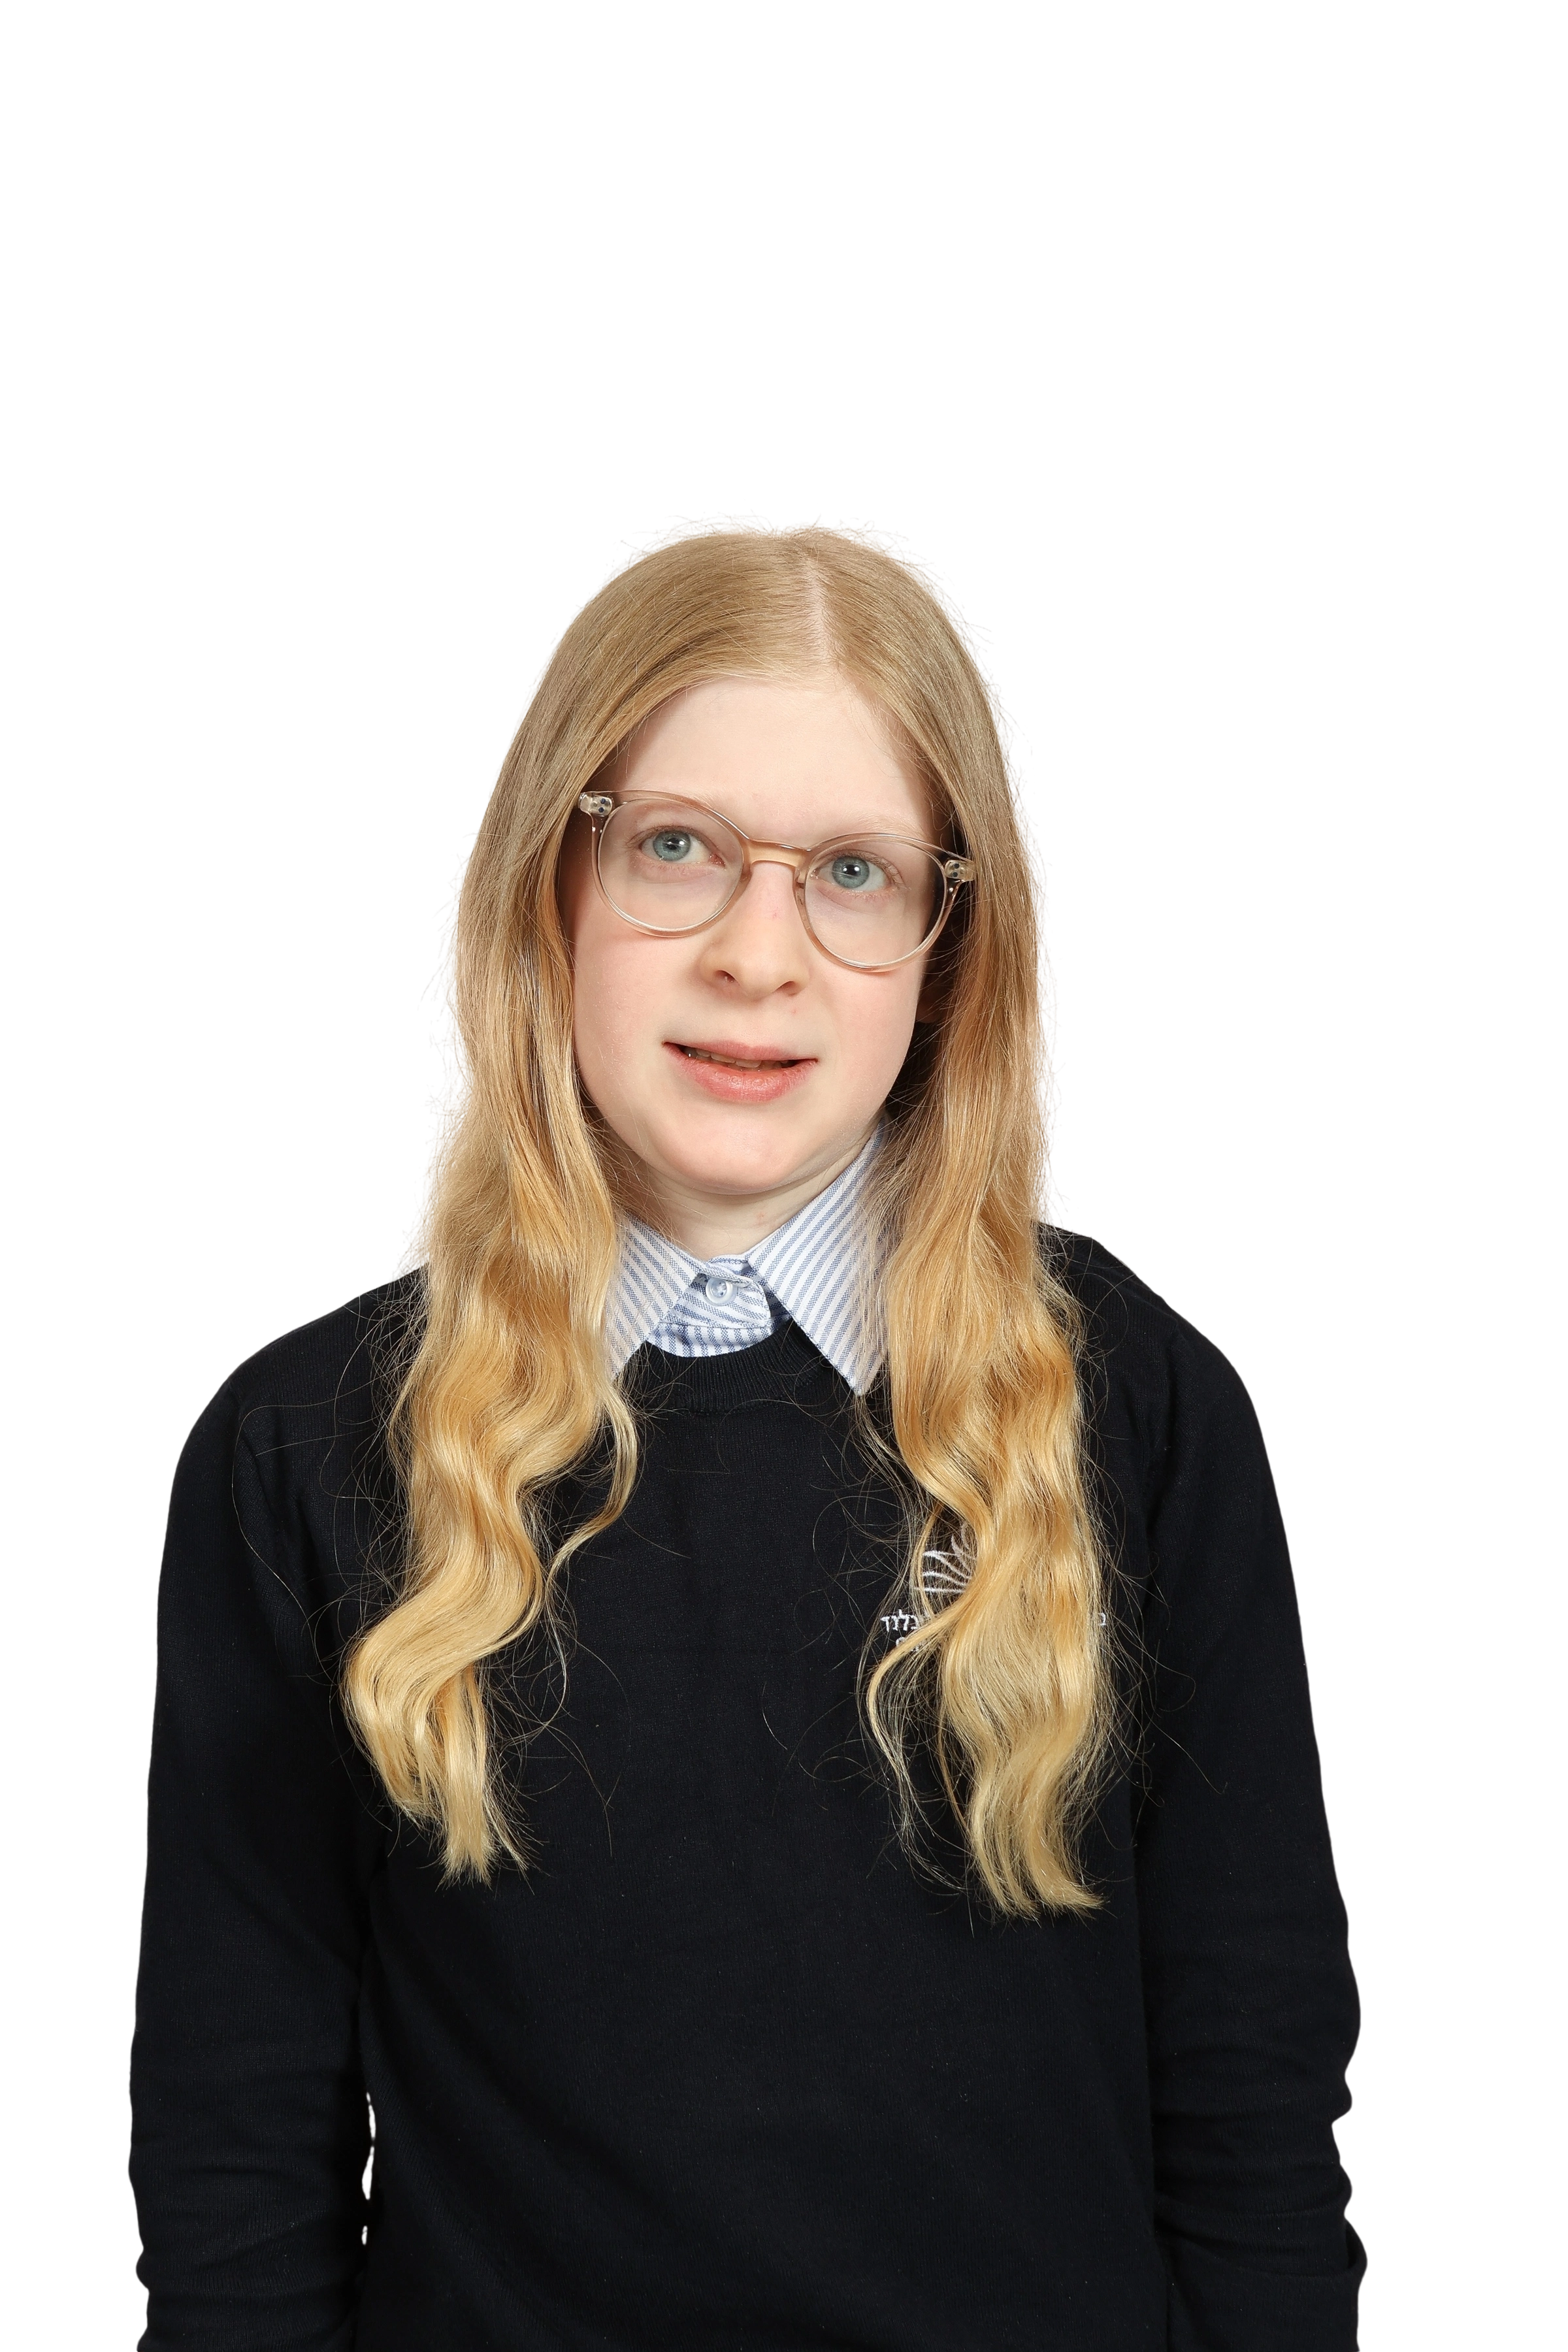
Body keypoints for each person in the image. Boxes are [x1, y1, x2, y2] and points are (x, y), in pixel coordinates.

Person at [127, 515, 1366, 2350]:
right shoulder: (300, 1451)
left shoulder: (1143, 1413)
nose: (756, 956)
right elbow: (237, 2165)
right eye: (678, 849)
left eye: (853, 872)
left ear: (951, 945)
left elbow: (1252, 2103)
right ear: (553, 887)